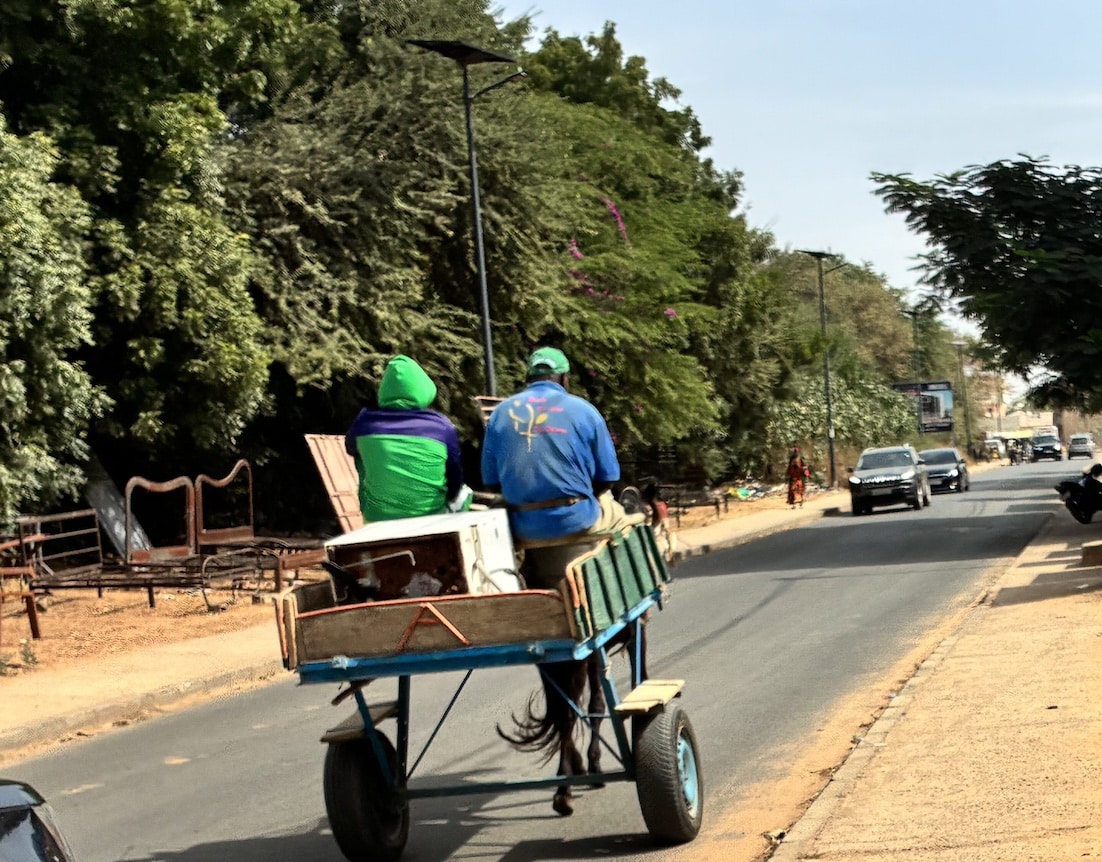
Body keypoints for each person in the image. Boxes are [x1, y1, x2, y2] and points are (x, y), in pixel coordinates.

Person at [481, 346, 644, 585]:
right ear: (565, 379)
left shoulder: (500, 414)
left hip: (522, 526)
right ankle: (629, 588)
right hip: (577, 518)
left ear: (528, 378)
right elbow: (608, 478)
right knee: (623, 518)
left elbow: (492, 482)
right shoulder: (584, 410)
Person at [345, 354, 467, 523]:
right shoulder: (442, 427)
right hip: (429, 516)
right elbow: (454, 476)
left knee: (361, 452)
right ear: (424, 390)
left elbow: (349, 448)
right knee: (464, 491)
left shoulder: (365, 423)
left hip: (377, 518)